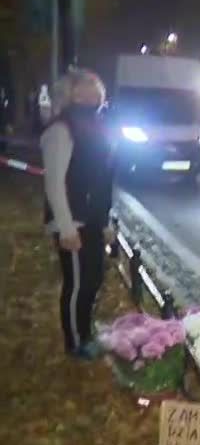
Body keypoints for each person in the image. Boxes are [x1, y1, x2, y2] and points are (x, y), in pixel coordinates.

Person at [40, 69, 114, 360]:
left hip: (94, 218)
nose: (93, 95)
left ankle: (86, 330)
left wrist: (106, 221)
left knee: (94, 278)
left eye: (97, 90)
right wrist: (66, 227)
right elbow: (54, 181)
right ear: (70, 93)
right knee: (78, 283)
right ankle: (75, 341)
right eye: (86, 90)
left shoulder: (97, 125)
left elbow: (102, 178)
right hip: (73, 219)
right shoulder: (62, 129)